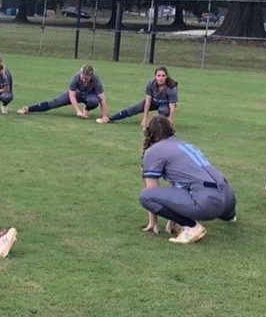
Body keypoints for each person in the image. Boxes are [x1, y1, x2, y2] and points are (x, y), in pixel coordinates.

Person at [139, 116, 237, 244]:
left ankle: (191, 226)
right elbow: (181, 184)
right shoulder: (185, 144)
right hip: (228, 197)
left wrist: (153, 223)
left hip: (208, 202)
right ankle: (230, 217)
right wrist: (173, 219)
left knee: (145, 196)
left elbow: (152, 190)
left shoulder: (154, 151)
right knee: (195, 189)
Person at [17, 64, 109, 122]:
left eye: (87, 78)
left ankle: (87, 110)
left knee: (94, 101)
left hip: (89, 96)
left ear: (91, 76)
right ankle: (28, 109)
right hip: (77, 94)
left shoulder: (96, 80)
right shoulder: (76, 78)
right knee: (55, 102)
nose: (84, 80)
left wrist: (104, 116)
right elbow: (72, 96)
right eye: (83, 77)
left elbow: (102, 99)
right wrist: (78, 111)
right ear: (80, 74)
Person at [99, 66, 178, 127]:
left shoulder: (171, 87)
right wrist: (144, 118)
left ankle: (160, 123)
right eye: (159, 76)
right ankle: (109, 119)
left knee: (163, 111)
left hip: (165, 105)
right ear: (155, 76)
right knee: (134, 108)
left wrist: (171, 120)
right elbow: (147, 102)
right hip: (153, 102)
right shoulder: (151, 83)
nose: (161, 78)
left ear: (166, 76)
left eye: (163, 76)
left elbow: (172, 107)